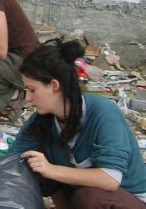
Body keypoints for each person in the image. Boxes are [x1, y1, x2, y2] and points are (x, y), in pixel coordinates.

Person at [9, 40, 146, 208]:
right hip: (79, 198)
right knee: (30, 163)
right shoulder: (42, 120)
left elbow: (110, 179)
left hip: (126, 200)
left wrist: (51, 169)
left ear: (54, 85)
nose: (28, 100)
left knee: (90, 197)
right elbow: (10, 159)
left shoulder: (103, 113)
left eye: (32, 90)